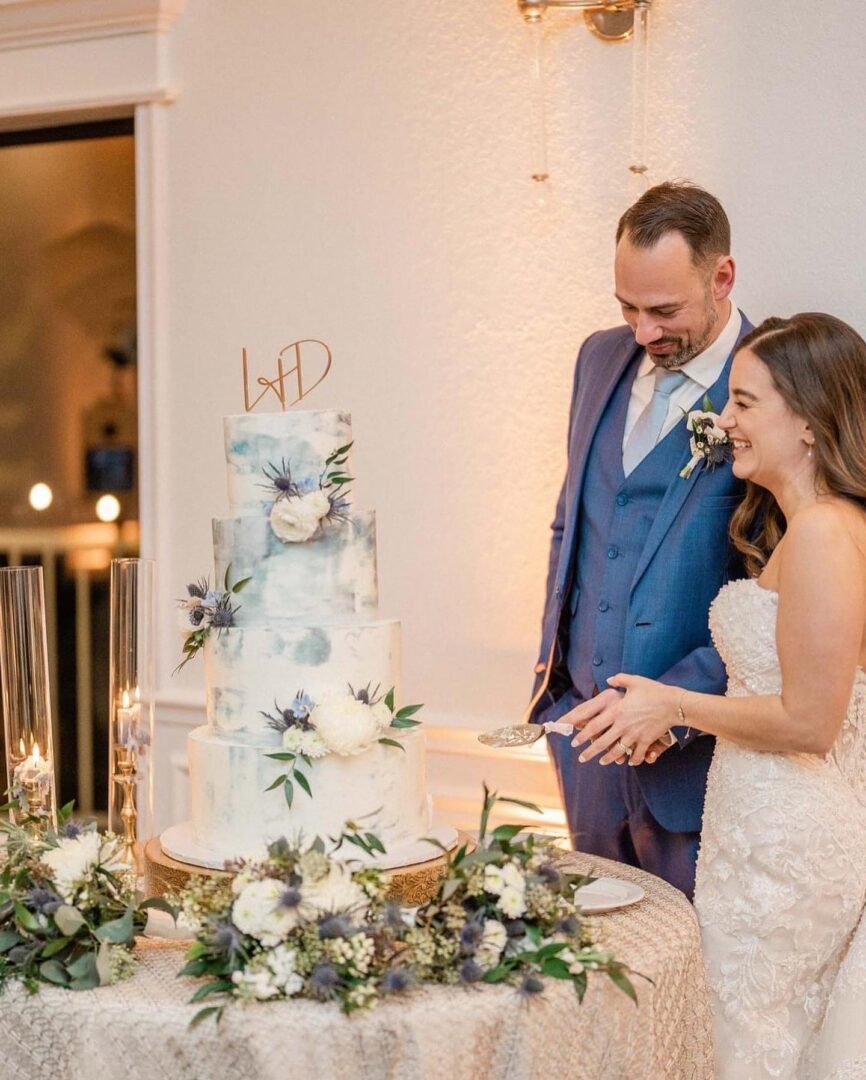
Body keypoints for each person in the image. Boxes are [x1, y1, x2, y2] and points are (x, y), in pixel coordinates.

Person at [570, 312, 866, 1078]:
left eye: (744, 402)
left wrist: (673, 706)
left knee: (749, 1049)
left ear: (807, 420)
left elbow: (809, 720)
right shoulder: (811, 529)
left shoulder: (828, 536)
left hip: (788, 848)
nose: (723, 420)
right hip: (763, 835)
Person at [529, 180, 752, 898]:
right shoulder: (598, 358)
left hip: (699, 759)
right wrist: (556, 686)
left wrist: (677, 705)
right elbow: (574, 522)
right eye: (627, 307)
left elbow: (780, 592)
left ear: (721, 277)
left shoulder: (776, 382)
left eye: (664, 310)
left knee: (691, 984)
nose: (643, 333)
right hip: (581, 738)